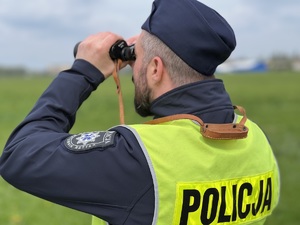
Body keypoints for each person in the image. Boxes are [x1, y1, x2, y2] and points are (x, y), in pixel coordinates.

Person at [0, 0, 280, 224]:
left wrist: (82, 72)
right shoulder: (255, 140)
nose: (133, 69)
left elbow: (19, 155)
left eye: (138, 60)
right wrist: (147, 48)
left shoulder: (140, 160)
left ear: (156, 69)